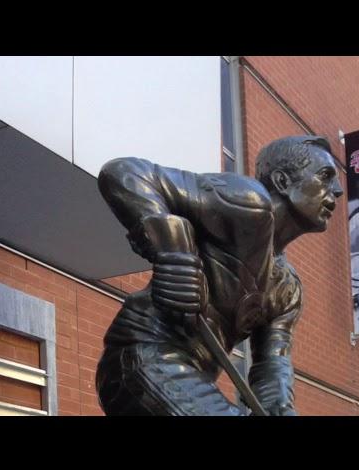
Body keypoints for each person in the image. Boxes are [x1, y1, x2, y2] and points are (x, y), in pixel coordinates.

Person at [95, 136, 343, 416]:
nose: (337, 190)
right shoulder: (248, 202)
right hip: (146, 359)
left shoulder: (287, 289)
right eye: (325, 176)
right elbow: (125, 173)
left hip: (192, 377)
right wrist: (172, 251)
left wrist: (280, 407)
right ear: (283, 181)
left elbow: (272, 363)